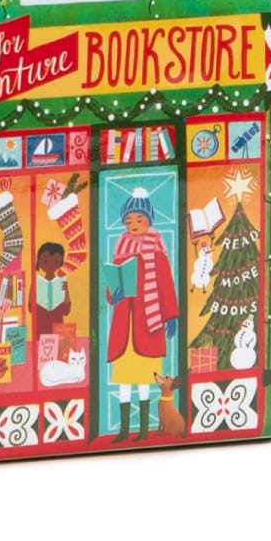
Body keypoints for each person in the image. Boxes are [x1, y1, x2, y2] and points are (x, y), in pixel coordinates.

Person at [106, 188, 178, 442]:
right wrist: (113, 294)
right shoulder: (121, 248)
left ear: (149, 220)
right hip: (125, 323)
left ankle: (144, 430)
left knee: (146, 381)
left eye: (140, 219)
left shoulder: (156, 249)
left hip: (149, 322)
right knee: (124, 381)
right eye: (129, 221)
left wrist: (171, 315)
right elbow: (111, 283)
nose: (134, 225)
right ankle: (124, 430)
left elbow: (166, 284)